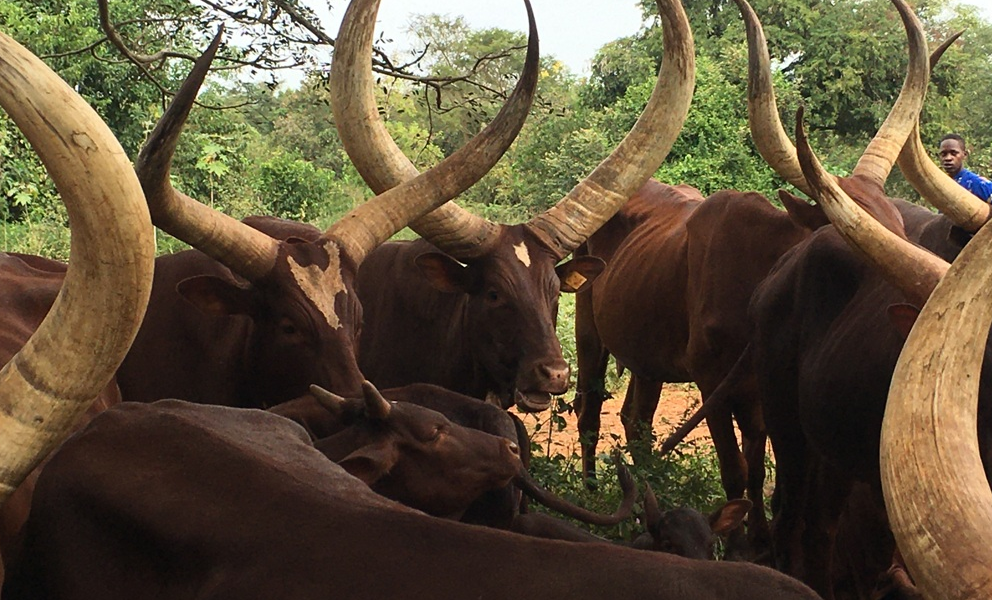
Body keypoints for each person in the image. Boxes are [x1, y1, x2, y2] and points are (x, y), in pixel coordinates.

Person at [938, 133, 992, 202]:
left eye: (954, 153)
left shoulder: (976, 183)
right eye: (943, 154)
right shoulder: (942, 184)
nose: (948, 158)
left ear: (964, 155)